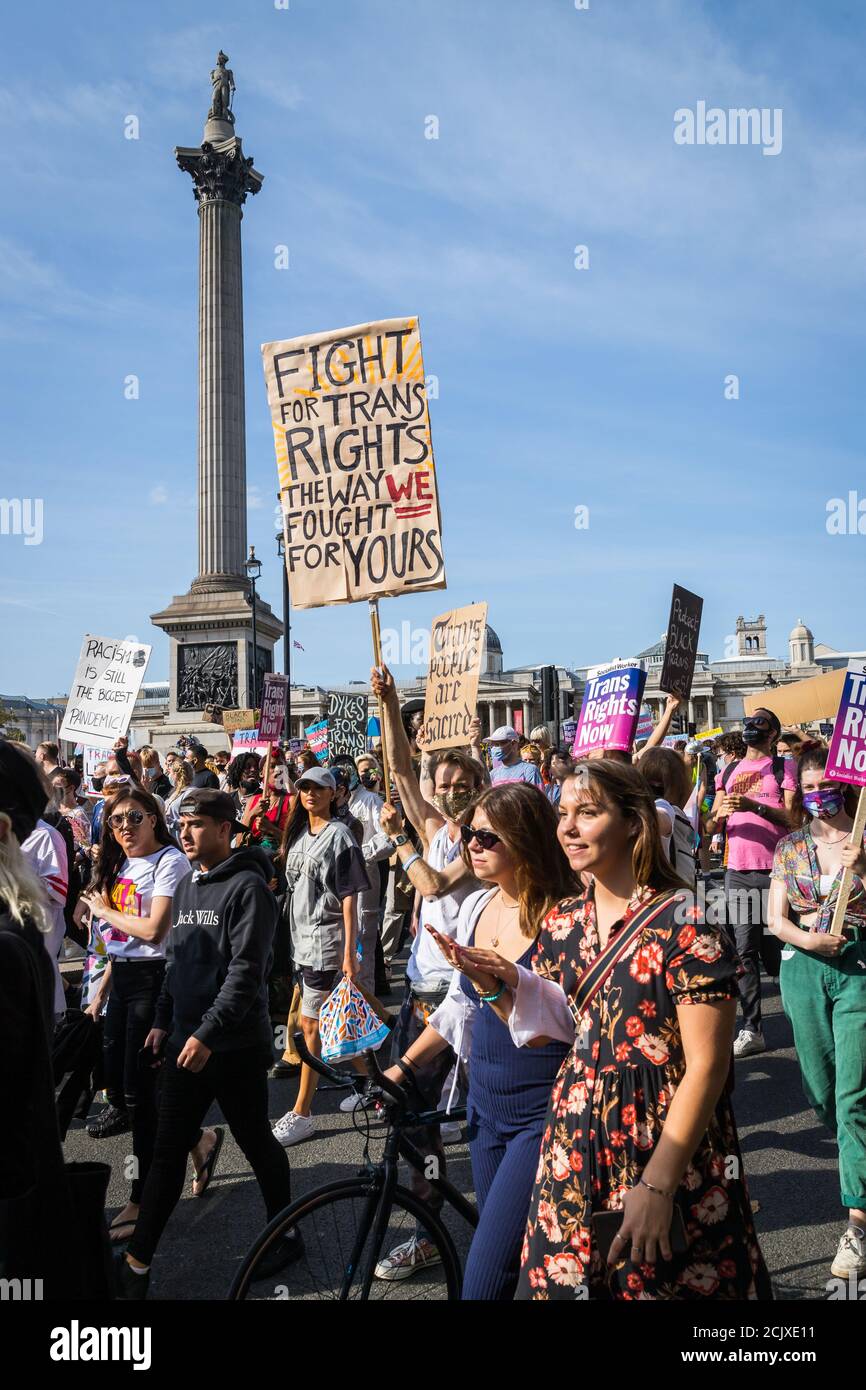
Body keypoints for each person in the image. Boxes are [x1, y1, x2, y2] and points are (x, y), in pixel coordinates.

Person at [455, 759, 770, 1300]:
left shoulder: (687, 921)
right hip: (573, 1148)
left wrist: (657, 1183)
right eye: (563, 814)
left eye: (588, 813)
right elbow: (550, 1031)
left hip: (665, 1148)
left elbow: (709, 1065)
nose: (569, 828)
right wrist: (492, 986)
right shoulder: (563, 923)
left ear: (632, 822)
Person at [379, 784, 577, 1299]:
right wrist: (399, 1068)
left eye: (487, 836)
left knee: (482, 1281)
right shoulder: (477, 906)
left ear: (526, 840)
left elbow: (560, 1026)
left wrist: (499, 986)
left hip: (543, 1111)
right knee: (506, 1261)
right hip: (484, 1107)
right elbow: (457, 1008)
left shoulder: (565, 918)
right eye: (469, 833)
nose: (472, 844)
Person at [117, 789, 300, 1299]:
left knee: (255, 1140)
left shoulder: (248, 888)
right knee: (166, 1151)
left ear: (225, 829)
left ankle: (285, 1232)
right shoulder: (192, 886)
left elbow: (247, 974)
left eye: (197, 824)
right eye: (183, 824)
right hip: (184, 1044)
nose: (187, 833)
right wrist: (162, 1020)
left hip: (233, 1047)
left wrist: (207, 1033)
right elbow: (177, 963)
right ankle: (137, 1264)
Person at [370, 661, 487, 1278]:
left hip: (461, 992)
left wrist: (404, 847)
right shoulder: (438, 825)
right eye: (443, 782)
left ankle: (493, 1231)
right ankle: (429, 1223)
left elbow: (434, 881)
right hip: (420, 989)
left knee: (469, 1120)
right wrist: (390, 703)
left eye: (464, 781)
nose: (449, 790)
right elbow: (398, 771)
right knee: (414, 1121)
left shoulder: (482, 840)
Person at [78, 787, 213, 1244]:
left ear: (154, 818)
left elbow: (155, 932)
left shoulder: (169, 862)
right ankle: (199, 1140)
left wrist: (105, 911)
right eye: (115, 822)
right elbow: (120, 946)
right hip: (125, 984)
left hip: (157, 981)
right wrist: (101, 992)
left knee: (140, 1096)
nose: (125, 828)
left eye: (134, 818)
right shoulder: (119, 866)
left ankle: (141, 1199)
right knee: (118, 1085)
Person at [769, 746, 866, 1281]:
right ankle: (862, 1154)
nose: (817, 795)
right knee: (822, 1090)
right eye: (808, 788)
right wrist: (809, 937)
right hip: (802, 967)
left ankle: (857, 1223)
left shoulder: (863, 841)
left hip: (858, 966)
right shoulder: (790, 847)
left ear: (847, 783)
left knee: (853, 1096)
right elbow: (774, 920)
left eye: (825, 784)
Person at [271, 768, 369, 1146]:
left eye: (318, 788)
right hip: (300, 940)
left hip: (326, 941)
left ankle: (302, 1112)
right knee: (330, 1021)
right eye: (304, 787)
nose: (310, 793)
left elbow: (349, 894)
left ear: (334, 793)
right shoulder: (297, 833)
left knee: (311, 1028)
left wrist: (349, 950)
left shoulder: (340, 835)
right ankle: (373, 1083)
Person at [705, 708, 796, 1057]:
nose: (750, 727)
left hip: (780, 873)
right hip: (738, 872)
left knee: (784, 954)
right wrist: (718, 816)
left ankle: (804, 1015)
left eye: (759, 722)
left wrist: (753, 807)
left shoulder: (783, 768)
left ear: (773, 733)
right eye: (748, 721)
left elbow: (793, 817)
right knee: (744, 953)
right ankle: (753, 1028)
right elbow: (711, 826)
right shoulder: (727, 769)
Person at [328, 753, 392, 1001]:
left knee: (363, 936)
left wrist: (359, 853)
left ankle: (365, 1005)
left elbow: (387, 839)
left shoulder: (370, 801)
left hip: (364, 876)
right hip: (335, 882)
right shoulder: (330, 806)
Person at [638, 746, 697, 883]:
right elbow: (655, 819)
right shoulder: (663, 807)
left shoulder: (663, 807)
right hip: (673, 896)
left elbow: (656, 818)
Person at [163, 756, 194, 836]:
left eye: (170, 773)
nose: (169, 776)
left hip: (182, 842)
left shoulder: (190, 793)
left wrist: (169, 821)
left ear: (176, 775)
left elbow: (190, 822)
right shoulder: (174, 792)